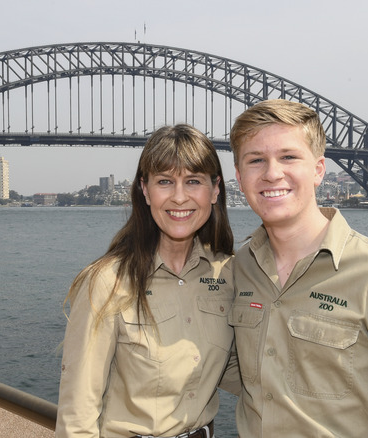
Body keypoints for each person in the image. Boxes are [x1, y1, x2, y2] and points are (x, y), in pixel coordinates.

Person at [228, 99, 368, 437]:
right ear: (240, 177)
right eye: (256, 160)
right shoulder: (236, 269)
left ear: (319, 170)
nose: (272, 173)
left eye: (289, 157)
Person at [56, 124, 240, 438]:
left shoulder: (228, 275)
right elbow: (77, 418)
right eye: (165, 182)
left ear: (215, 189)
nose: (179, 197)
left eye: (193, 181)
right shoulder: (107, 282)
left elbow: (242, 370)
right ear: (145, 190)